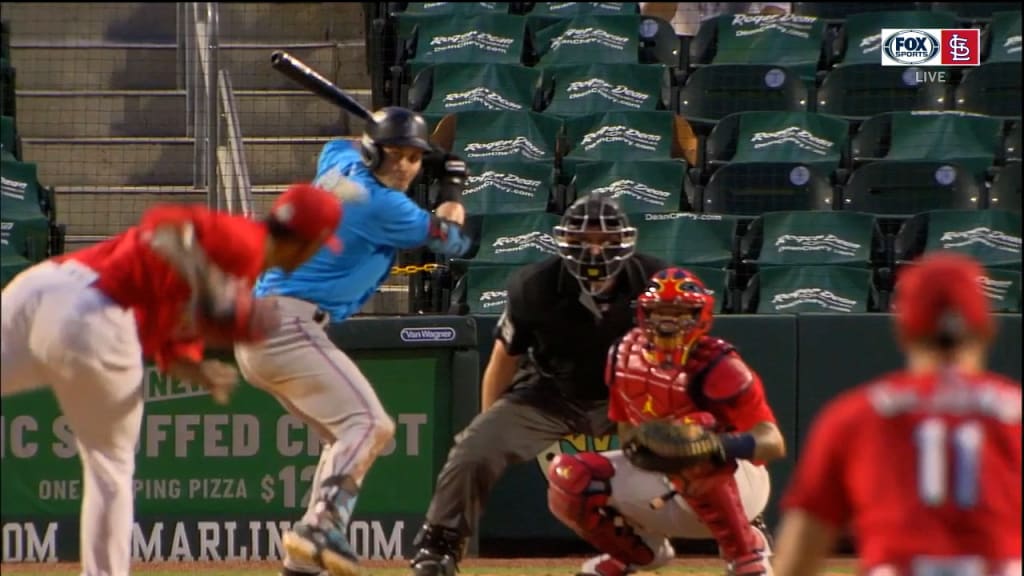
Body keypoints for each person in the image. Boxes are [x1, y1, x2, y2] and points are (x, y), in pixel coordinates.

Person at [0, 183, 342, 576]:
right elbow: (163, 228)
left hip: (48, 286)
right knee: (110, 467)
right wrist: (211, 289)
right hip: (99, 312)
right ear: (311, 241)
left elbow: (164, 307)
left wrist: (189, 364)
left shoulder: (239, 265)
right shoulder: (244, 244)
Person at [233, 106, 473, 576]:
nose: (404, 167)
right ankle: (318, 530)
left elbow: (339, 144)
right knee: (371, 427)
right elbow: (457, 242)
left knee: (344, 438)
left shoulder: (339, 165)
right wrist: (453, 183)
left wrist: (388, 135)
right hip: (288, 325)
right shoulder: (382, 205)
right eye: (395, 155)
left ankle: (302, 564)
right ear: (373, 152)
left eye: (412, 158)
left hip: (266, 326)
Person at [407, 193, 669, 576]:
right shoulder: (534, 286)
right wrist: (487, 427)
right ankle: (440, 543)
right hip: (550, 393)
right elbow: (503, 359)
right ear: (564, 242)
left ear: (625, 242)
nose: (594, 252)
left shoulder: (654, 281)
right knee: (474, 449)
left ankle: (737, 524)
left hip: (630, 392)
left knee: (696, 440)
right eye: (583, 242)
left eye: (605, 242)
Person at [772, 252, 1022, 576]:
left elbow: (801, 549)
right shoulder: (1015, 411)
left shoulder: (855, 415)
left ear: (902, 329)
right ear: (988, 326)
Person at [547, 266, 786, 576]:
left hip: (737, 479)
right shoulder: (623, 355)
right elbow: (627, 431)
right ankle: (638, 553)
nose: (669, 321)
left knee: (688, 437)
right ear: (645, 314)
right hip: (664, 475)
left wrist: (712, 445)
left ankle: (746, 554)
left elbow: (773, 443)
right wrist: (648, 449)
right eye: (660, 312)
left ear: (701, 315)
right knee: (568, 475)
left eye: (681, 312)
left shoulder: (721, 366)